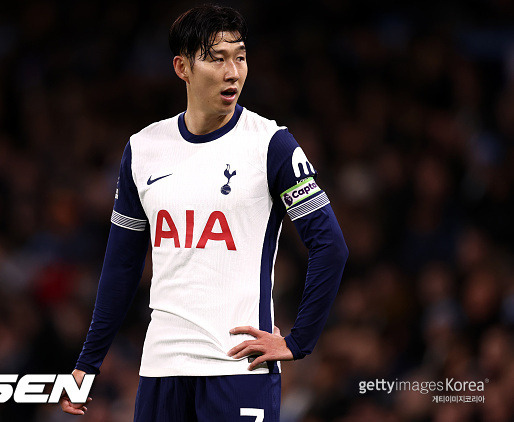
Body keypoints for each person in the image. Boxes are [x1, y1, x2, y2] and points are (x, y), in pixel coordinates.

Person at [61, 4, 348, 421]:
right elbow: (122, 264)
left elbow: (331, 246)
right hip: (161, 369)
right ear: (182, 67)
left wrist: (298, 341)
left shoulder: (272, 144)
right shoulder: (143, 149)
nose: (233, 72)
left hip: (238, 368)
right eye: (217, 58)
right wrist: (88, 363)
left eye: (241, 56)